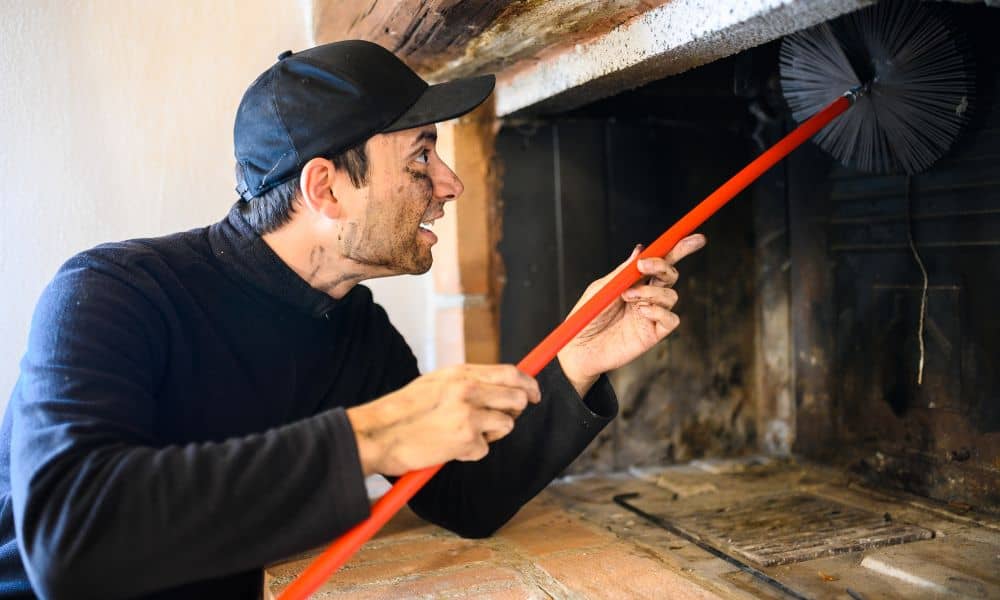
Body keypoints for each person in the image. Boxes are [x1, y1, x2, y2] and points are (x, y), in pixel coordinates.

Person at [0, 41, 705, 598]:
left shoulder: (354, 329)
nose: (449, 185)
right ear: (325, 187)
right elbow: (71, 541)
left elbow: (460, 495)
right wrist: (376, 432)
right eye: (421, 156)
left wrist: (578, 356)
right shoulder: (111, 293)